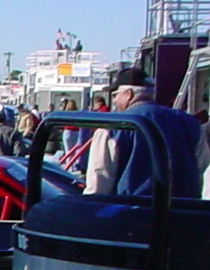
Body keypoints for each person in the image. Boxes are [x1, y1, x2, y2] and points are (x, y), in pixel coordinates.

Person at [84, 67, 210, 198]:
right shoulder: (190, 122)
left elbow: (99, 180)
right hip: (183, 207)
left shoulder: (112, 126)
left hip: (132, 206)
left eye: (115, 95)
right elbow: (202, 167)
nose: (114, 100)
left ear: (128, 94)